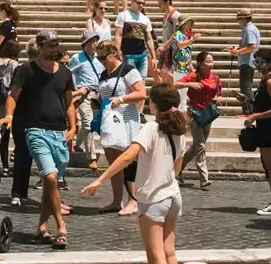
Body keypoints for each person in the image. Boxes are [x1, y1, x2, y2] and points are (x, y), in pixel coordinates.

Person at [82, 84, 189, 264]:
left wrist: (100, 180)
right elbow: (177, 168)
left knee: (156, 256)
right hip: (174, 196)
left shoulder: (151, 128)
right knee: (169, 253)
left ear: (153, 104)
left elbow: (127, 156)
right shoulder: (180, 131)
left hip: (154, 198)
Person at [1, 30, 76, 248]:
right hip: (35, 130)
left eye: (56, 44)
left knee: (51, 184)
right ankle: (61, 226)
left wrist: (73, 126)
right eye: (51, 45)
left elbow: (69, 103)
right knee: (50, 178)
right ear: (40, 46)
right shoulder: (26, 70)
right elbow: (13, 96)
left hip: (59, 132)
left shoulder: (65, 73)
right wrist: (8, 116)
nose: (54, 48)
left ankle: (42, 228)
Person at [92, 38, 147, 215]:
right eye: (98, 58)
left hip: (127, 120)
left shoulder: (128, 70)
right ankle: (117, 201)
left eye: (103, 57)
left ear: (114, 54)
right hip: (109, 121)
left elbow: (142, 93)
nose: (101, 61)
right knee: (113, 160)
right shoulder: (104, 74)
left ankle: (133, 201)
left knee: (128, 160)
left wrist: (121, 99)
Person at [242, 48, 271, 215]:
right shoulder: (265, 80)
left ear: (270, 63)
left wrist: (255, 116)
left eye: (260, 62)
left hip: (270, 128)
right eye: (255, 62)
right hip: (265, 127)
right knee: (268, 165)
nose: (257, 65)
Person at [177, 51, 221, 191]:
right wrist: (190, 84)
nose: (211, 64)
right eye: (208, 61)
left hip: (208, 114)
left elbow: (220, 93)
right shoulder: (193, 76)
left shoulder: (215, 78)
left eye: (212, 61)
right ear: (200, 64)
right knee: (201, 145)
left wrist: (218, 99)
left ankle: (176, 170)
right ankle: (204, 179)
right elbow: (174, 84)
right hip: (194, 113)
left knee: (196, 147)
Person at [69, 32, 104, 170]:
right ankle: (91, 157)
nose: (94, 44)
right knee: (88, 124)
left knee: (89, 124)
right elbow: (70, 74)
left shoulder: (99, 58)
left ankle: (78, 144)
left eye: (95, 41)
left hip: (98, 94)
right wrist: (75, 92)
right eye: (91, 41)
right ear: (85, 44)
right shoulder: (77, 58)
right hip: (84, 94)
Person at [116, 0, 157, 78]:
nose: (141, 5)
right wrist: (117, 51)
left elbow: (149, 38)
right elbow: (118, 35)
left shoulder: (145, 19)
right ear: (132, 1)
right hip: (128, 54)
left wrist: (153, 57)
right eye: (138, 3)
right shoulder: (123, 15)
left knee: (142, 80)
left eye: (143, 3)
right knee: (131, 80)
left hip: (143, 55)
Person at [230, 8, 261, 116]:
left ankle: (248, 111)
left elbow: (252, 46)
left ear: (243, 19)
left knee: (246, 87)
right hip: (248, 61)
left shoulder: (249, 29)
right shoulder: (249, 28)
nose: (238, 21)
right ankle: (248, 110)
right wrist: (238, 49)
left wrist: (238, 52)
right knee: (246, 86)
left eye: (239, 18)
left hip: (247, 62)